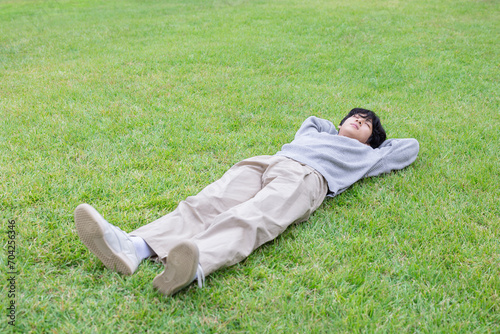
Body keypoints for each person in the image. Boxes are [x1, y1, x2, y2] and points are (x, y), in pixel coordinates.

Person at [74, 108, 419, 296]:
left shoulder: (366, 156)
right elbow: (313, 121)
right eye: (356, 116)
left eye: (367, 125)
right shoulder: (316, 133)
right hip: (270, 161)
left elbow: (409, 147)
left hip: (309, 179)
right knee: (206, 202)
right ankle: (134, 247)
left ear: (371, 141)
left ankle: (193, 264)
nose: (360, 121)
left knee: (255, 216)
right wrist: (339, 126)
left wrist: (374, 144)